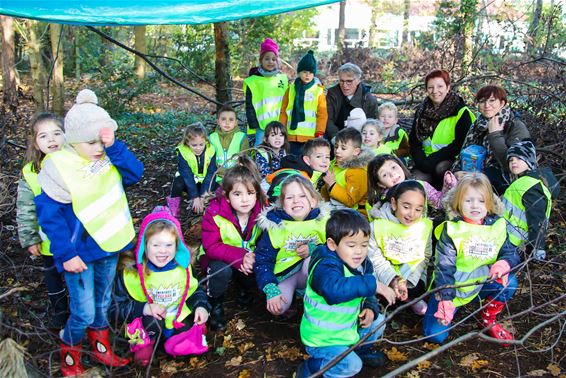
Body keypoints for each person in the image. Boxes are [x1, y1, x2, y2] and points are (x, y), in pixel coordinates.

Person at [35, 89, 144, 376]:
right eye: (91, 142)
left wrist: (115, 146)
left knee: (103, 303)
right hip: (79, 252)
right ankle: (69, 355)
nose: (98, 147)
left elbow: (135, 173)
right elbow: (50, 216)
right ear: (73, 140)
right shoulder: (59, 165)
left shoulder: (109, 154)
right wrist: (66, 253)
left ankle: (101, 348)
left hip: (108, 245)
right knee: (82, 311)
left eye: (101, 140)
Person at [423, 173, 520, 344]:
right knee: (434, 336)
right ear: (458, 202)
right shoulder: (452, 229)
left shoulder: (497, 225)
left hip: (481, 283)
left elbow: (510, 252)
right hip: (452, 289)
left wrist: (503, 263)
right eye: (468, 200)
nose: (475, 206)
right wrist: (445, 299)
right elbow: (444, 268)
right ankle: (452, 307)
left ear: (489, 202)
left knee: (509, 283)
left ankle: (488, 318)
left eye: (481, 201)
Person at [112, 207, 210, 366]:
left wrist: (201, 306)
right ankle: (142, 345)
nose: (162, 251)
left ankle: (177, 339)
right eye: (156, 245)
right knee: (150, 325)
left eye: (169, 245)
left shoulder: (182, 268)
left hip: (175, 318)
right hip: (143, 323)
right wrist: (143, 308)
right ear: (144, 246)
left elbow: (194, 290)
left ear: (177, 246)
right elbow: (114, 307)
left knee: (189, 344)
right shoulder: (131, 274)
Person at [297, 209, 387, 377]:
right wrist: (374, 285)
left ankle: (358, 351)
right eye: (351, 245)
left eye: (364, 245)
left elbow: (366, 292)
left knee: (378, 320)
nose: (359, 251)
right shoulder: (324, 265)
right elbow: (333, 290)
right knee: (351, 366)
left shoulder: (363, 264)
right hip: (322, 340)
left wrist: (369, 307)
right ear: (332, 244)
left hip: (347, 330)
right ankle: (313, 366)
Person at [16, 113, 69, 329]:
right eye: (44, 136)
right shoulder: (30, 172)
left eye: (57, 133)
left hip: (78, 234)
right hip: (48, 237)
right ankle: (60, 310)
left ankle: (83, 311)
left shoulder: (76, 162)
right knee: (53, 273)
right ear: (35, 142)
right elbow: (25, 207)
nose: (52, 140)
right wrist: (30, 237)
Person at [200, 157, 265, 331]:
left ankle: (245, 290)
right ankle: (215, 304)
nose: (245, 200)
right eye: (238, 194)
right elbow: (211, 246)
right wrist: (240, 257)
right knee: (221, 270)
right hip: (218, 258)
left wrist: (252, 257)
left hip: (248, 256)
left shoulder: (262, 213)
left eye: (250, 193)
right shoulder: (214, 213)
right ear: (227, 197)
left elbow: (266, 241)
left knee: (260, 262)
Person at [255, 175, 330, 316]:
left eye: (302, 196)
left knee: (312, 260)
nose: (296, 201)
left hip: (311, 273)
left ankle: (314, 299)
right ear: (283, 204)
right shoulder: (275, 226)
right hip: (285, 276)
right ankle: (292, 297)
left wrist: (313, 249)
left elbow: (335, 249)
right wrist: (270, 287)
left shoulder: (323, 221)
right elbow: (263, 260)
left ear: (313, 201)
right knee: (278, 308)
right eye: (289, 198)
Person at [368, 180, 432, 315]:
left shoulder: (424, 226)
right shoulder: (376, 226)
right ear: (394, 203)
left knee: (416, 288)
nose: (412, 214)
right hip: (384, 274)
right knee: (372, 285)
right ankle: (388, 298)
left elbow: (424, 257)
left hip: (409, 274)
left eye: (418, 209)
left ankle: (409, 297)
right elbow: (375, 259)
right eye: (406, 207)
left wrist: (407, 281)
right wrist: (393, 280)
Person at [454, 85, 530, 194]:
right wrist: (457, 172)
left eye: (492, 101)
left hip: (505, 178)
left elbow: (513, 165)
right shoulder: (477, 125)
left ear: (502, 103)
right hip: (475, 172)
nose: (486, 105)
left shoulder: (515, 126)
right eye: (482, 101)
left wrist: (495, 135)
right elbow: (465, 151)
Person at [409, 69, 475, 189]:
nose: (435, 91)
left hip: (451, 161)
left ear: (448, 87)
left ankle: (446, 200)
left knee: (441, 169)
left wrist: (432, 161)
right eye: (430, 87)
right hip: (425, 161)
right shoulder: (421, 111)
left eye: (440, 86)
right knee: (416, 182)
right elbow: (414, 141)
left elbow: (460, 144)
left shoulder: (461, 112)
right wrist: (421, 162)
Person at [502, 140, 552, 261]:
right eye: (511, 160)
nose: (514, 162)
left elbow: (537, 218)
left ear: (529, 161)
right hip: (507, 238)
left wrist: (538, 248)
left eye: (519, 158)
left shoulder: (530, 185)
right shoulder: (523, 182)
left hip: (513, 244)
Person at [367, 154, 456, 211]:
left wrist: (449, 185)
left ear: (401, 166)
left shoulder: (421, 186)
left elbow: (439, 202)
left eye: (393, 167)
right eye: (384, 175)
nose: (392, 174)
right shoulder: (382, 202)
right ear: (380, 184)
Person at [279, 50, 328, 155]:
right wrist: (281, 129)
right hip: (291, 135)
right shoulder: (291, 89)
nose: (307, 75)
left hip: (309, 137)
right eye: (304, 72)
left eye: (310, 72)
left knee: (306, 163)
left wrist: (319, 132)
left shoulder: (318, 91)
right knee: (292, 161)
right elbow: (283, 110)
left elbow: (322, 114)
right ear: (299, 72)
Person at [244, 38, 289, 146]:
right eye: (267, 59)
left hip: (280, 124)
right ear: (261, 60)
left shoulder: (282, 79)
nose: (270, 62)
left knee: (279, 150)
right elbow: (249, 105)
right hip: (261, 126)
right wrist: (253, 124)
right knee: (260, 150)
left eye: (274, 59)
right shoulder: (253, 81)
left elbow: (288, 101)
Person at [167, 123, 217, 218]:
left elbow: (211, 173)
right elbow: (187, 175)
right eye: (194, 145)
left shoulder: (211, 150)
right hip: (189, 181)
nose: (198, 148)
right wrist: (195, 197)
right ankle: (173, 209)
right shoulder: (183, 152)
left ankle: (211, 207)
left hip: (204, 181)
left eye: (201, 144)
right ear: (187, 142)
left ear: (205, 141)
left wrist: (203, 196)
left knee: (220, 189)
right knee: (178, 182)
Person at [323, 128, 374, 217]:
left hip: (354, 217)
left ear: (356, 151)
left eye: (343, 148)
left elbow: (350, 200)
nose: (337, 151)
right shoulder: (335, 164)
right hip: (334, 209)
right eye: (336, 146)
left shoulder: (358, 171)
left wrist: (332, 184)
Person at [266, 138, 331, 202]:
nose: (324, 161)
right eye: (318, 156)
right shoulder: (294, 175)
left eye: (327, 157)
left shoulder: (318, 176)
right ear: (307, 160)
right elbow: (275, 198)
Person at [326, 63, 378, 140]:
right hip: (335, 136)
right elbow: (328, 119)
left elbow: (372, 124)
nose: (344, 85)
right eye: (341, 81)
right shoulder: (332, 95)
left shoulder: (368, 99)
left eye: (349, 81)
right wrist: (335, 138)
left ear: (358, 81)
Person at [209, 104, 249, 182]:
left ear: (236, 122)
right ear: (218, 121)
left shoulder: (241, 137)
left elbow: (245, 159)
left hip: (236, 176)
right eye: (223, 119)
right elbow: (209, 159)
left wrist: (231, 172)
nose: (227, 122)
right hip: (216, 176)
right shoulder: (212, 137)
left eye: (231, 119)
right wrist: (220, 171)